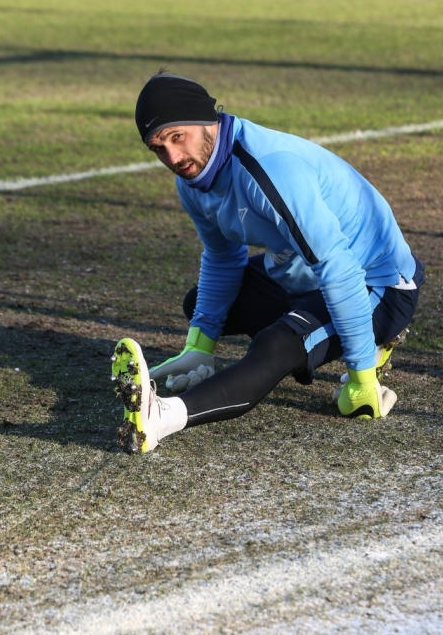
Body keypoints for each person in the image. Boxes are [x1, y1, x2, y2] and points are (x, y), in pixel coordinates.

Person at [111, 71, 425, 454]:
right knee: (202, 307)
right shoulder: (192, 182)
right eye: (159, 148)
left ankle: (161, 418)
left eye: (178, 138)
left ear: (208, 120)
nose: (173, 158)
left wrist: (362, 381)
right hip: (308, 274)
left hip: (376, 283)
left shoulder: (270, 169)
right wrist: (199, 346)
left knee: (276, 345)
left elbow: (338, 268)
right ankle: (301, 334)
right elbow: (223, 258)